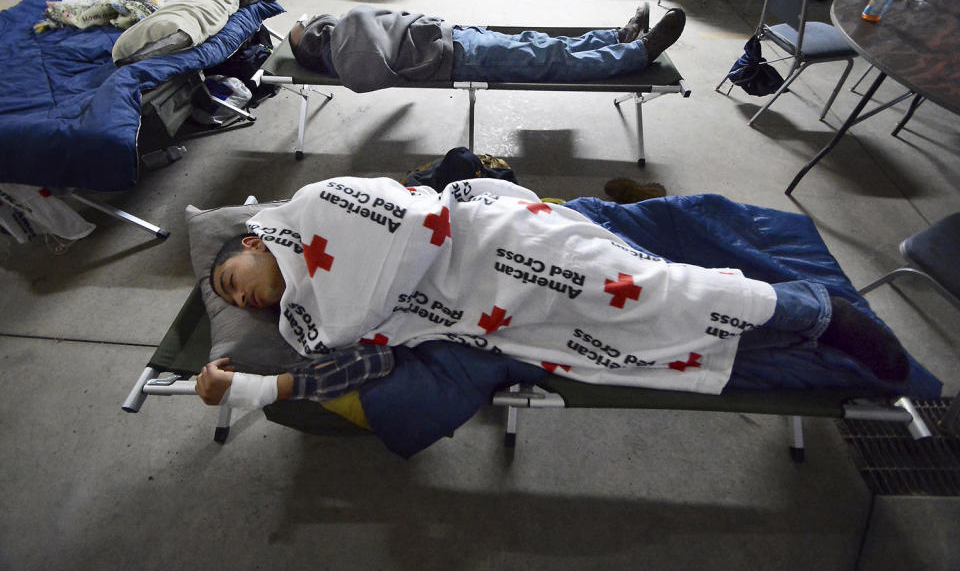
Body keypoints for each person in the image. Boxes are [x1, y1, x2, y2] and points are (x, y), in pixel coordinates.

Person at [196, 177, 910, 409]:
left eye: (235, 281)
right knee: (629, 341)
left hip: (494, 246)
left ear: (255, 244)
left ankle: (813, 311)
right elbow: (369, 361)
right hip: (488, 313)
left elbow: (412, 212)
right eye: (237, 304)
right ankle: (793, 328)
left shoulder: (315, 204)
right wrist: (253, 391)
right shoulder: (304, 319)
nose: (247, 299)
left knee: (640, 290)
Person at [286, 3, 686, 93]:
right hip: (456, 57)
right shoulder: (344, 55)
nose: (315, 22)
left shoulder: (343, 33)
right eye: (309, 27)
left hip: (455, 35)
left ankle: (616, 37)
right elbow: (368, 73)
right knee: (551, 61)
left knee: (542, 44)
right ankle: (638, 53)